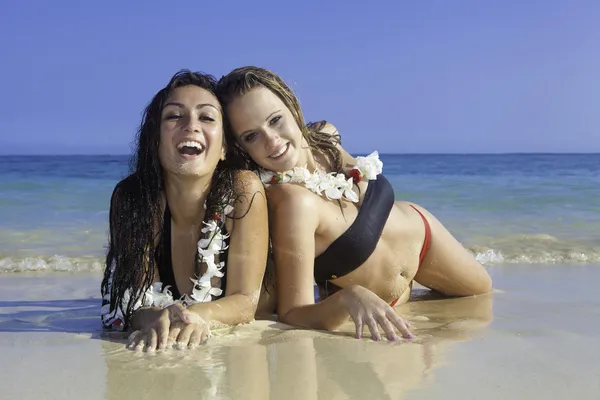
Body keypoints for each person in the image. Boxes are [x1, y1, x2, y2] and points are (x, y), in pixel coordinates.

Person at [216, 66, 492, 341]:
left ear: (292, 105)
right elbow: (293, 313)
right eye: (252, 136)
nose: (272, 140)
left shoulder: (326, 138)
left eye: (275, 120)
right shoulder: (289, 201)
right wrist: (349, 298)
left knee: (488, 304)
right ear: (242, 147)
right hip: (386, 301)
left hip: (425, 236)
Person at [100, 70, 269, 352]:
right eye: (174, 116)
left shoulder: (243, 189)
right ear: (155, 139)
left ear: (225, 146)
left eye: (206, 117)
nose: (191, 125)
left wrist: (196, 317)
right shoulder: (133, 199)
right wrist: (156, 318)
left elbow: (244, 301)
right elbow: (133, 303)